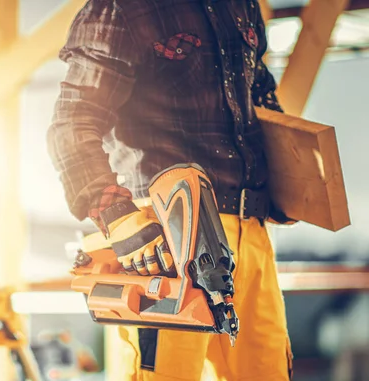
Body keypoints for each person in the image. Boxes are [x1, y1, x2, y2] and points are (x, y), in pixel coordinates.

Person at [47, 1, 294, 380]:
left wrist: (293, 179)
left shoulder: (241, 5)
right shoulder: (122, 8)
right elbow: (72, 123)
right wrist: (117, 217)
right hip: (168, 239)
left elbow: (260, 97)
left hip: (251, 234)